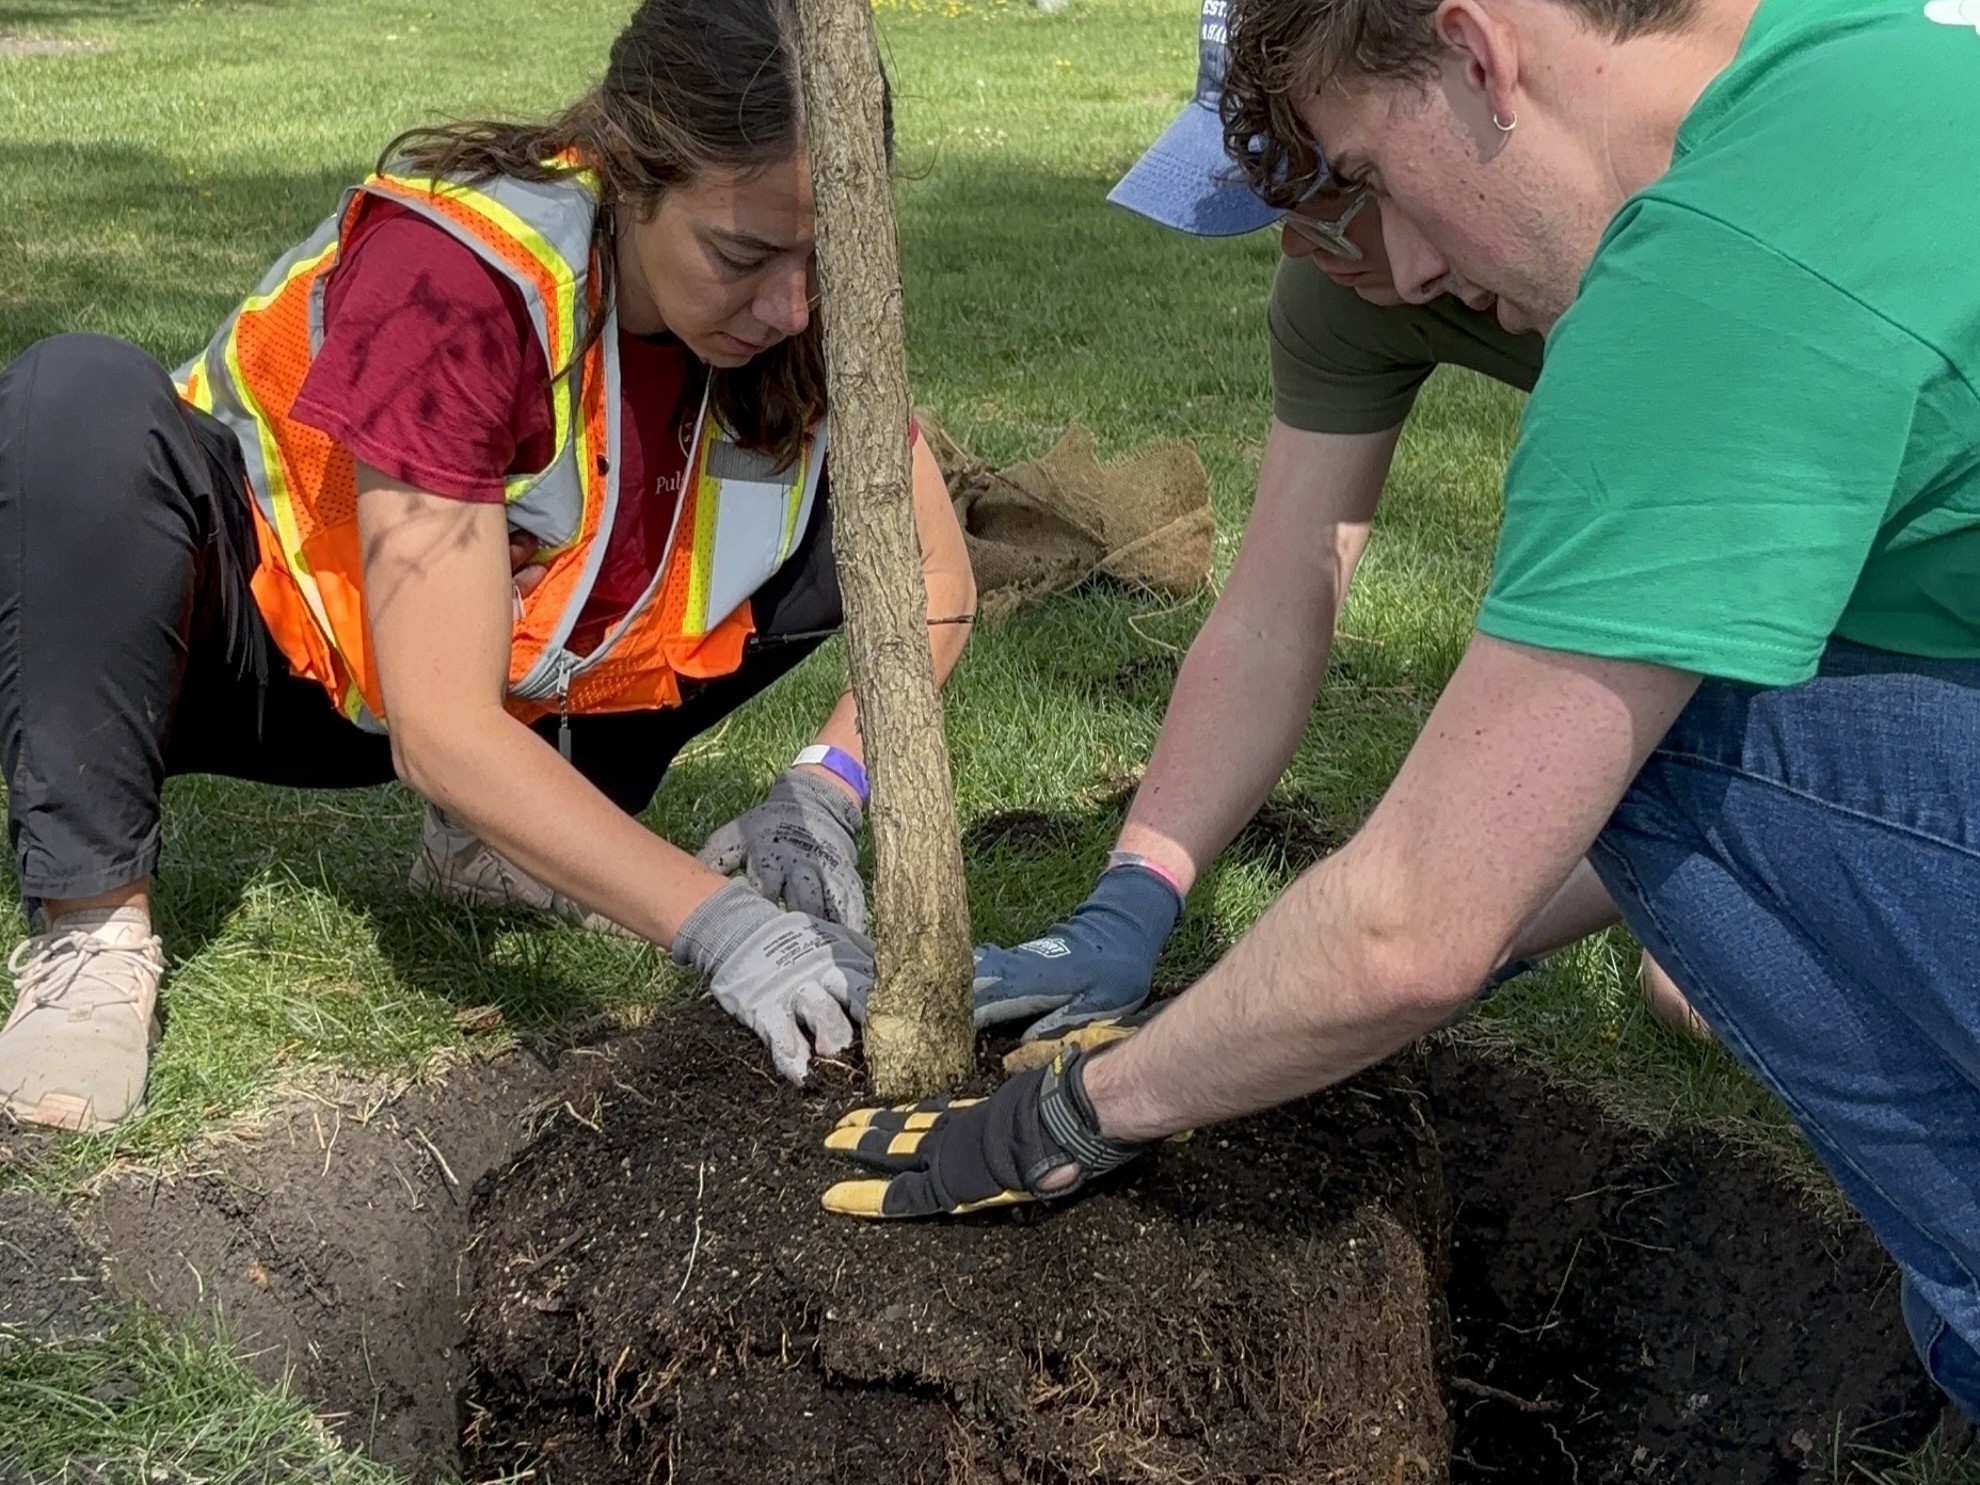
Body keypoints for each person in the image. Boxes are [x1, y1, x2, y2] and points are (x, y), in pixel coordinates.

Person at [824, 0, 1980, 1424]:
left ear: (1478, 49)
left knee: (1658, 707)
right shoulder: (1851, 61)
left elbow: (1413, 925)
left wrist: (1084, 1107)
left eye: (1364, 175)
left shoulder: (1705, 295)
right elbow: (1288, 611)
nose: (1404, 263)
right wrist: (1150, 907)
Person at [0, 0, 975, 1131]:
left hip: (523, 686)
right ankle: (92, 927)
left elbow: (934, 584)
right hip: (252, 651)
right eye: (743, 256)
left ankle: (494, 848)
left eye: (820, 260)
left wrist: (826, 791)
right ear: (629, 169)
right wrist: (721, 921)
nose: (790, 307)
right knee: (77, 408)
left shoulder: (801, 308)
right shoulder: (462, 281)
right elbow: (439, 727)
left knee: (833, 533)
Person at [969, 0, 1704, 1048]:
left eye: (1330, 191)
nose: (1303, 248)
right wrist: (1130, 899)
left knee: (1702, 983)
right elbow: (1276, 602)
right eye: (1274, 211)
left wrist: (1403, 960)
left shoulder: (1658, 253)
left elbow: (1666, 651)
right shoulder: (1346, 288)